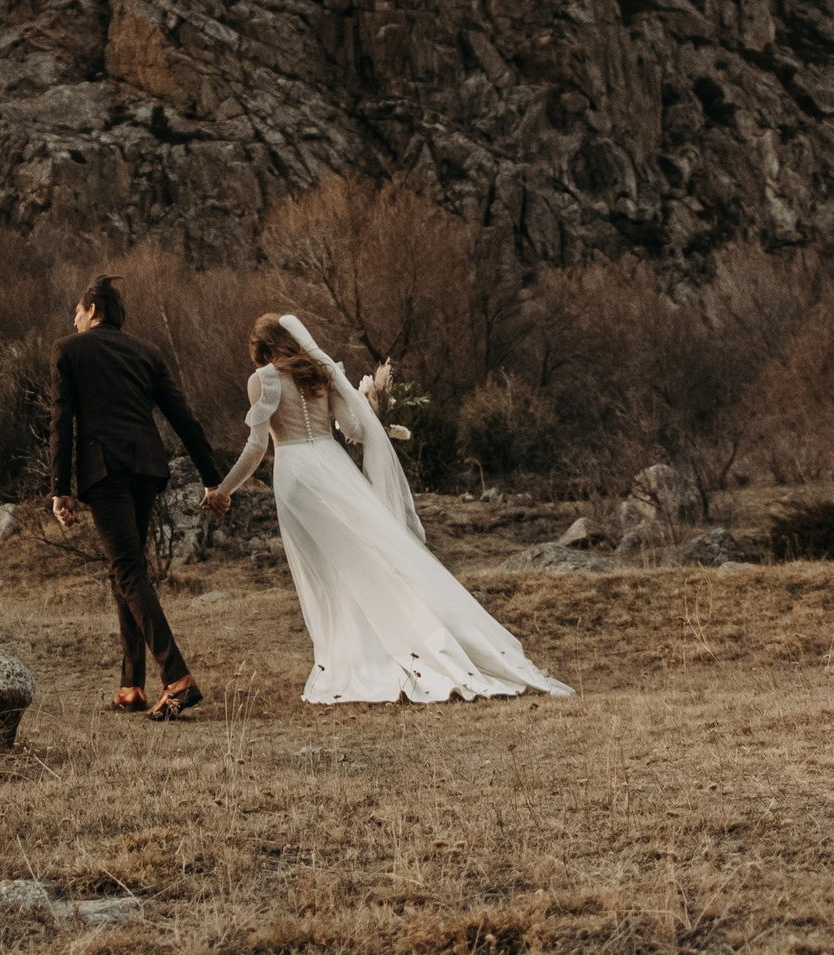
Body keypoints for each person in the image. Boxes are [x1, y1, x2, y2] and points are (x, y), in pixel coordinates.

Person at [202, 314, 574, 704]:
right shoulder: (321, 374)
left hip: (296, 475)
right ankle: (408, 640)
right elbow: (356, 430)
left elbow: (258, 446)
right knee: (370, 556)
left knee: (328, 574)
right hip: (335, 467)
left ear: (262, 348)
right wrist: (371, 408)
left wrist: (223, 489)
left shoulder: (262, 380)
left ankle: (357, 657)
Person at [48, 273, 225, 721]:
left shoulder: (69, 349)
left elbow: (61, 421)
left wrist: (60, 490)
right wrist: (212, 480)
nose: (74, 318)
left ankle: (178, 678)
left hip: (103, 469)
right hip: (147, 468)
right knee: (127, 569)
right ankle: (131, 686)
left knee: (126, 570)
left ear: (94, 311)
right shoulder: (148, 353)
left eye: (77, 311)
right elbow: (184, 419)